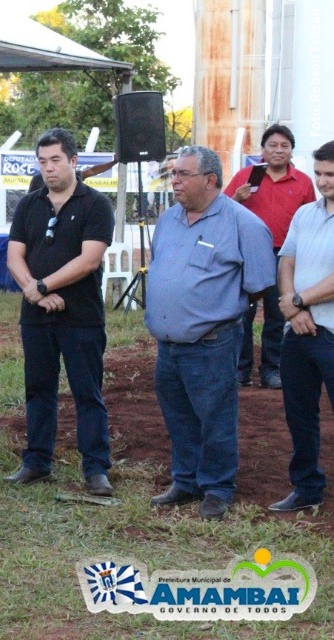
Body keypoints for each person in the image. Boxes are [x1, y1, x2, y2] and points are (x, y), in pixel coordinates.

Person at [145, 146, 275, 520]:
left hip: (213, 342)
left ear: (210, 180)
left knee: (215, 418)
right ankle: (186, 481)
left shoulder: (243, 224)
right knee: (179, 415)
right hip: (168, 345)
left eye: (183, 174)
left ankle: (217, 487)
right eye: (173, 174)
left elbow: (258, 284)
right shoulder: (168, 220)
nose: (175, 182)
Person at [4, 128, 115, 497]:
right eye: (42, 161)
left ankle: (96, 468)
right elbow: (14, 255)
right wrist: (34, 293)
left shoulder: (95, 204)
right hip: (36, 316)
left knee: (87, 392)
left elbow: (88, 260)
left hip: (80, 315)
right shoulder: (28, 204)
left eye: (55, 160)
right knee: (38, 389)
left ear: (73, 161)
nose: (49, 168)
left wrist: (41, 286)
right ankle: (36, 461)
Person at [224, 124, 316, 389]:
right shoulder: (246, 176)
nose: (278, 151)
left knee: (278, 313)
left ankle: (271, 369)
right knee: (243, 313)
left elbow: (309, 220)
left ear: (291, 152)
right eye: (273, 145)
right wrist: (237, 198)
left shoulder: (303, 182)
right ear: (262, 150)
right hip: (248, 253)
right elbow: (222, 209)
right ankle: (240, 370)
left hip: (285, 256)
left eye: (284, 146)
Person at [270, 140, 334, 512]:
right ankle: (307, 487)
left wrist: (297, 301)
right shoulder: (305, 214)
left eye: (331, 175)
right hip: (298, 332)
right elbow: (286, 262)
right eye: (320, 173)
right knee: (299, 415)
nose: (324, 182)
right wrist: (294, 312)